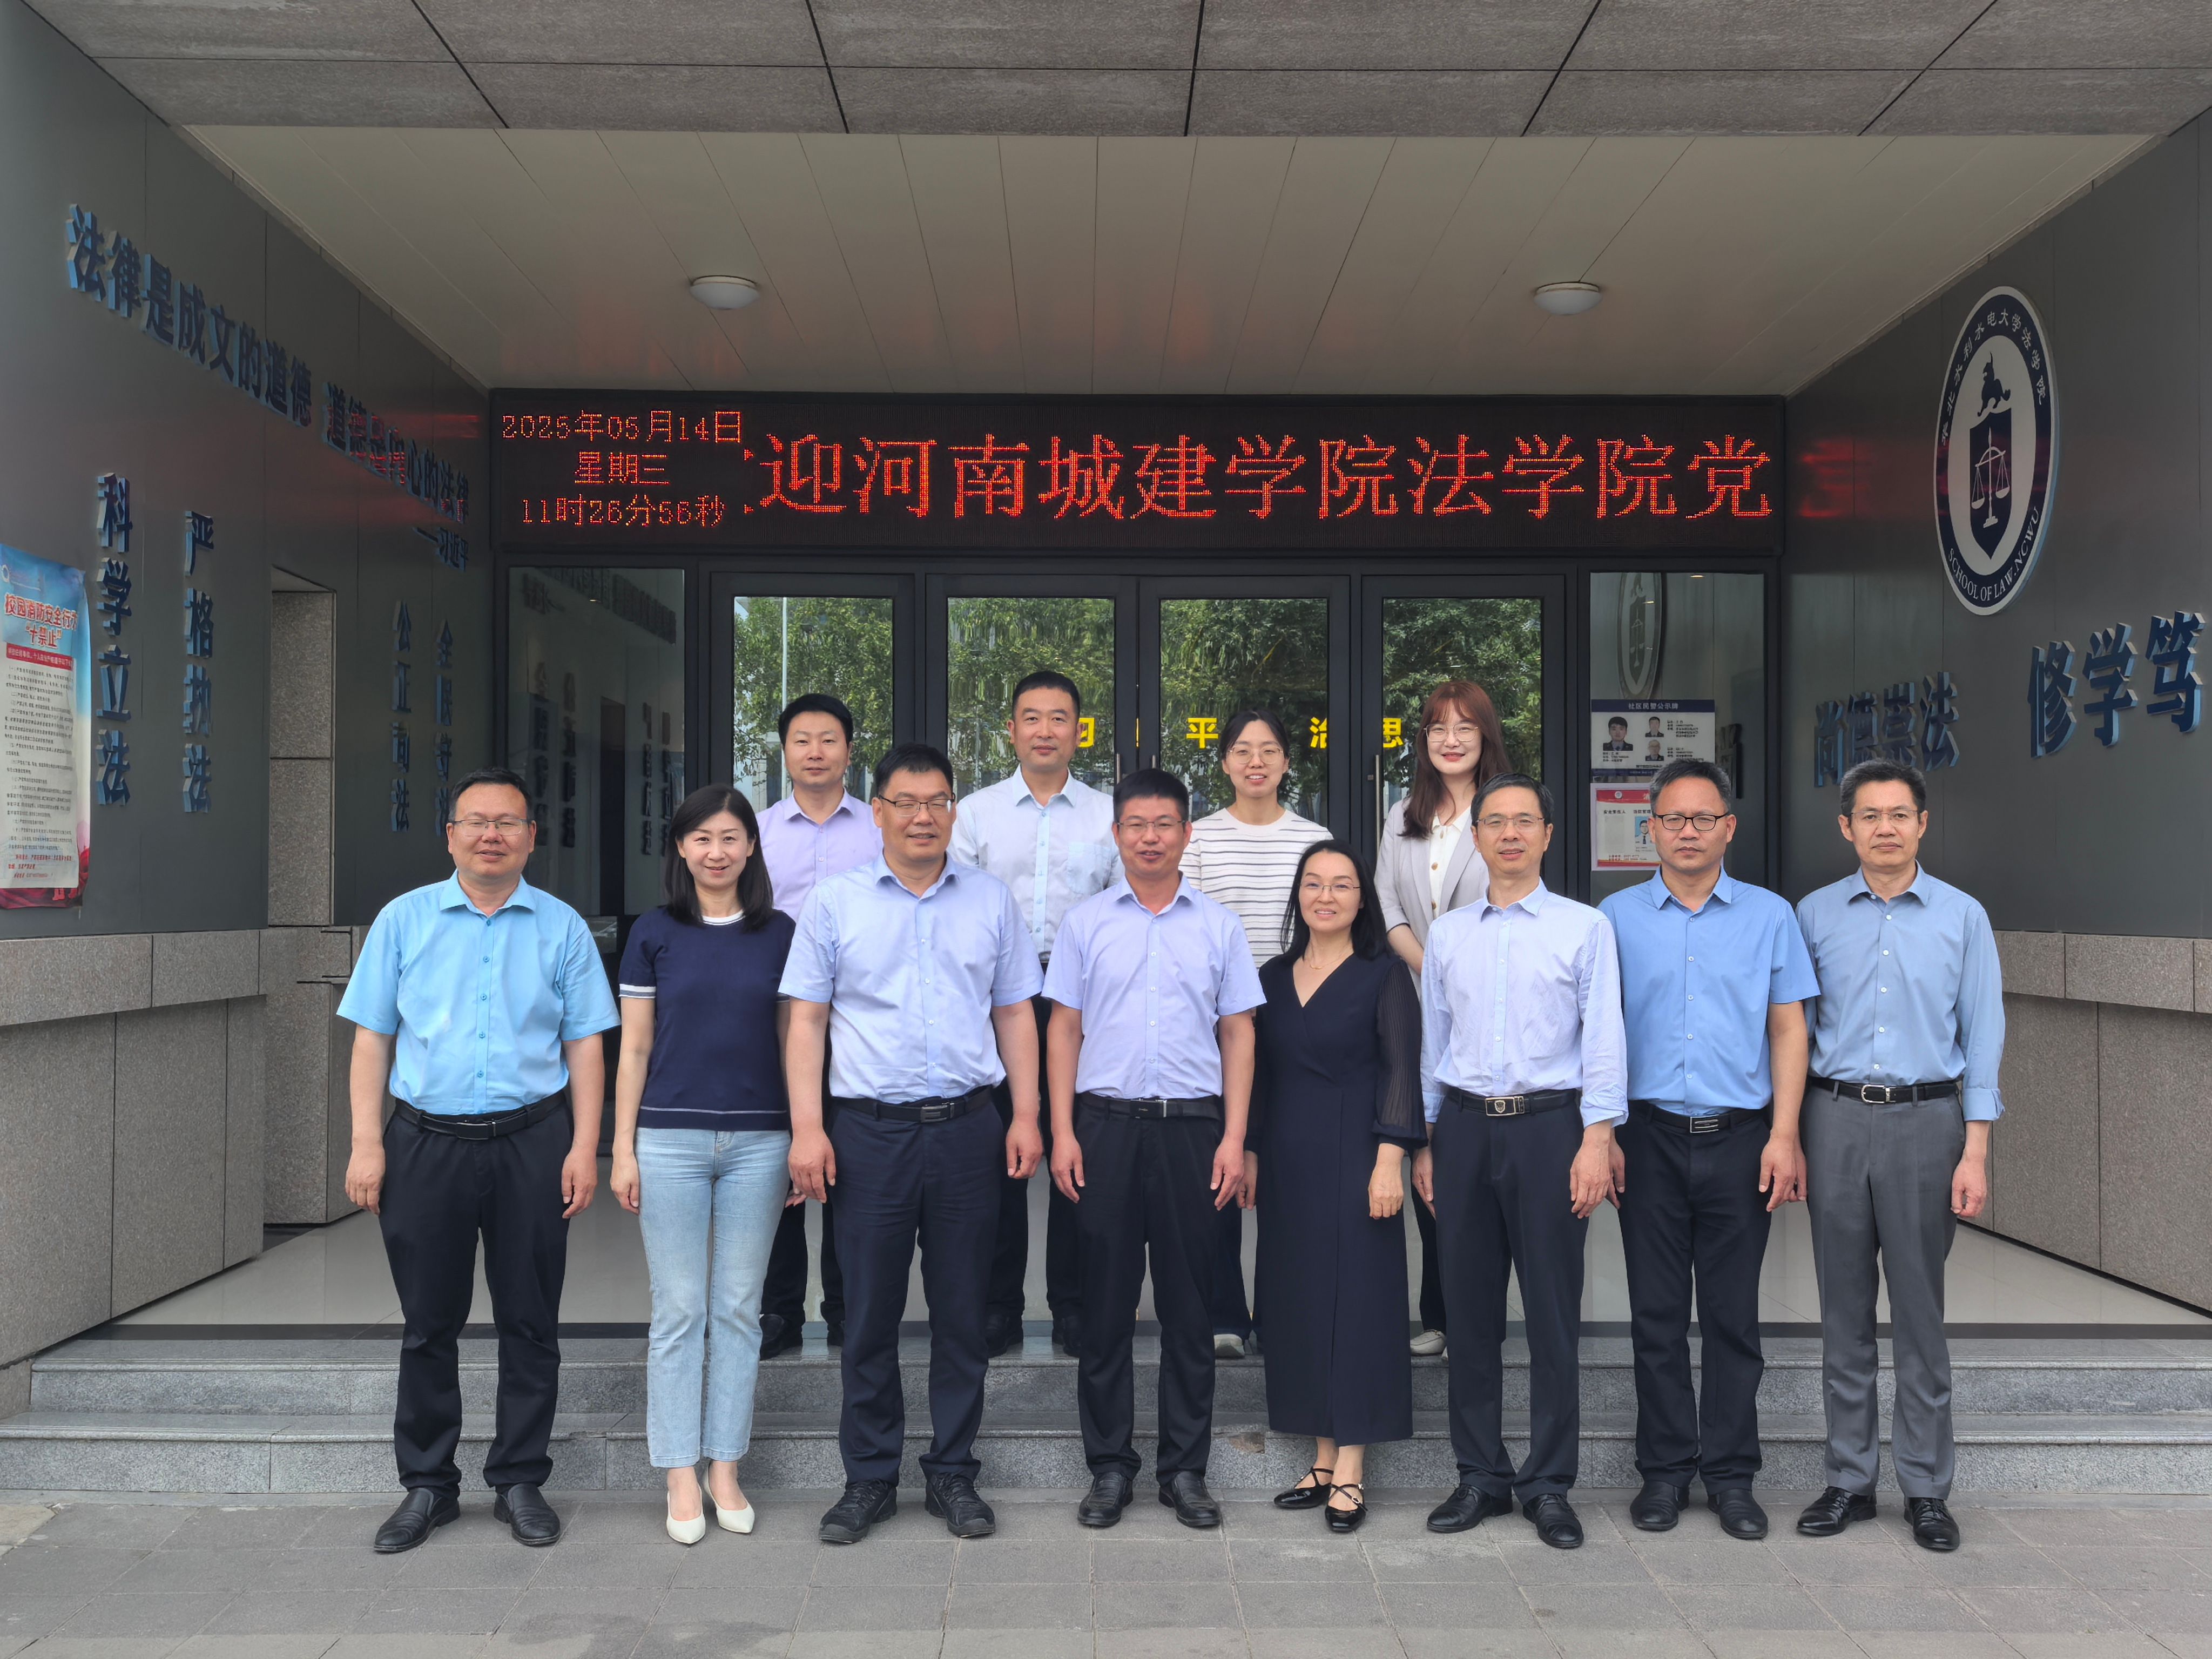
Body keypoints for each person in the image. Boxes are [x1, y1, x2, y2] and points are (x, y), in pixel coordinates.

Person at [338, 768, 618, 1554]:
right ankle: (428, 1486)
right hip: (424, 1142)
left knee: (530, 1319)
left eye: (508, 823)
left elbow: (585, 1046)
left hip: (533, 1141)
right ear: (451, 834)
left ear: (531, 837)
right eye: (476, 821)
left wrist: (583, 1148)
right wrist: (366, 1143)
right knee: (429, 1322)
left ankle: (520, 1479)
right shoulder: (404, 920)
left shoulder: (562, 927)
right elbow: (372, 1038)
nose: (491, 835)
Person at [781, 742, 1043, 1545]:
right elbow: (807, 1021)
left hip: (969, 1130)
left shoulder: (990, 901)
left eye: (937, 802)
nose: (922, 816)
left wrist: (1026, 1115)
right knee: (867, 1315)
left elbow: (1015, 1013)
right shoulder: (835, 903)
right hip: (868, 1134)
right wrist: (807, 1128)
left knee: (964, 1314)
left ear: (954, 811)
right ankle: (869, 1478)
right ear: (879, 811)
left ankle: (953, 1473)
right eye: (906, 802)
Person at [1599, 758, 1817, 1542]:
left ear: (1729, 827)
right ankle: (1663, 1473)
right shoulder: (1613, 918)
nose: (1686, 832)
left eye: (1703, 819)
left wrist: (1785, 1136)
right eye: (1672, 818)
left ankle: (1730, 1477)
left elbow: (1788, 1029)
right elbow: (1598, 1034)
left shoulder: (1770, 916)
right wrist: (1603, 1132)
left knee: (1732, 1318)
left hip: (1741, 1140)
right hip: (1647, 1138)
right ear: (1649, 829)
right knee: (1656, 1315)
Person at [1793, 758, 2002, 1554]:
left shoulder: (1962, 917)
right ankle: (1849, 1480)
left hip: (1927, 1122)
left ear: (1922, 824)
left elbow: (1983, 1035)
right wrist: (1790, 1133)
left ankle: (1925, 1488)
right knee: (1842, 1312)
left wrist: (1975, 1149)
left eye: (1899, 814)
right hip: (1834, 1118)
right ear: (1846, 827)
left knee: (1919, 1313)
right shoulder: (1813, 914)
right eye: (1870, 816)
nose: (1885, 828)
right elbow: (1792, 1031)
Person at [1045, 768, 1261, 1531]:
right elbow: (1063, 1028)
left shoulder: (1219, 926)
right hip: (1103, 1128)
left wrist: (1235, 1138)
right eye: (1135, 824)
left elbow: (1239, 1033)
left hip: (1194, 1131)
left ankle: (1184, 1471)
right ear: (1116, 834)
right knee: (1104, 1308)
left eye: (1164, 824)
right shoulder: (1085, 924)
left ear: (1186, 834)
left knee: (1189, 1310)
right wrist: (1062, 1131)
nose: (1149, 837)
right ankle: (1109, 1468)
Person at [1414, 774, 1625, 1551]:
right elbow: (1434, 1042)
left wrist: (1597, 1140)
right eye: (1494, 822)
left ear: (1547, 834)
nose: (1509, 834)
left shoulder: (1584, 927)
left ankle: (1548, 1484)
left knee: (1551, 1317)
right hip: (1464, 1130)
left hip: (1549, 1131)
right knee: (1469, 1316)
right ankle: (1480, 1474)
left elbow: (1604, 1038)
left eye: (1524, 821)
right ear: (1475, 838)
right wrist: (1428, 1142)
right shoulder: (1448, 934)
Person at [610, 785, 797, 1545]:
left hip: (761, 1141)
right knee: (680, 1309)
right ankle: (679, 1471)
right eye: (701, 839)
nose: (716, 852)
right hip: (669, 1140)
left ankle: (726, 1465)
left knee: (740, 1309)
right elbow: (635, 1049)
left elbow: (793, 1043)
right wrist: (622, 1148)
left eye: (730, 838)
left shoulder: (780, 934)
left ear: (751, 847)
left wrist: (802, 1136)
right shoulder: (653, 933)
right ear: (681, 850)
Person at [1255, 841, 1423, 1533]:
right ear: (1298, 895)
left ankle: (1351, 1465)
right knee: (1297, 1301)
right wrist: (1252, 1152)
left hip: (1359, 1155)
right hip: (1287, 1161)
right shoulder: (1270, 976)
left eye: (1342, 885)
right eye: (1314, 884)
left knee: (1357, 1304)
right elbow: (1260, 1076)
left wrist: (1391, 1159)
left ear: (1362, 899)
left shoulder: (1384, 974)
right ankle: (1321, 1458)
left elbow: (1401, 1069)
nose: (1325, 897)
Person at [951, 670, 1120, 1358]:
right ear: (1011, 730)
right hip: (996, 1001)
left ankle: (1073, 1306)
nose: (1045, 730)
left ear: (1079, 731)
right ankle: (1000, 1308)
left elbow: (1122, 910)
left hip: (1085, 1001)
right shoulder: (975, 813)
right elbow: (957, 904)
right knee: (1002, 1156)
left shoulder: (1108, 814)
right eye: (1031, 717)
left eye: (1058, 718)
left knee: (1077, 1153)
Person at [1179, 708, 1325, 1359]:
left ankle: (1281, 1311)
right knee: (1222, 1163)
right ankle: (1224, 1317)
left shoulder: (1313, 840)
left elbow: (1328, 925)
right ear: (1225, 762)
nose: (1256, 762)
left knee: (1289, 1170)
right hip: (1219, 1024)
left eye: (1269, 750)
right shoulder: (1199, 840)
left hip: (1297, 1017)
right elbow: (1187, 932)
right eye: (1242, 750)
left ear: (1287, 762)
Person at [1376, 680, 1510, 1359]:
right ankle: (1440, 1315)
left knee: (1474, 1161)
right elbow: (1386, 902)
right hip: (1413, 998)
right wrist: (1432, 967)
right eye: (1437, 728)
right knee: (1425, 1154)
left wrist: (1454, 975)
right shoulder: (1403, 815)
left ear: (1485, 736)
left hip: (1488, 1006)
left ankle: (1476, 1319)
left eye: (1464, 727)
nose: (1450, 740)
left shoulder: (1504, 811)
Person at [755, 693, 881, 1358]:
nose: (815, 752)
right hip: (777, 1014)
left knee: (849, 1162)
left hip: (860, 1015)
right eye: (801, 740)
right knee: (778, 1157)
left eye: (828, 740)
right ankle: (778, 1310)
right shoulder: (757, 832)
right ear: (785, 753)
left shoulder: (879, 830)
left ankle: (843, 1309)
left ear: (849, 752)